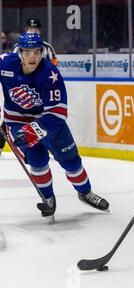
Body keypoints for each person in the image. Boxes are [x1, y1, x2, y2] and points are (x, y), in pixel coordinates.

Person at [0, 33, 109, 224]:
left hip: (49, 121)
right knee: (37, 160)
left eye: (36, 52)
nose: (32, 57)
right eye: (27, 52)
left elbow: (58, 113)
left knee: (71, 162)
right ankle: (48, 199)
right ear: (20, 53)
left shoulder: (50, 74)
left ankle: (85, 193)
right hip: (17, 120)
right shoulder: (5, 64)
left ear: (42, 52)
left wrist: (34, 130)